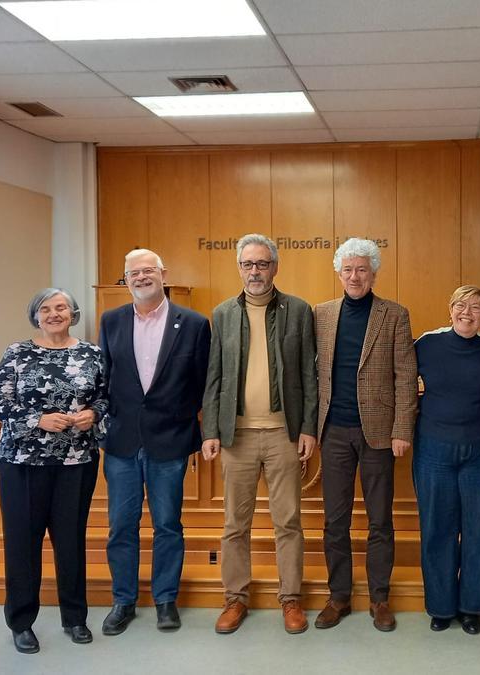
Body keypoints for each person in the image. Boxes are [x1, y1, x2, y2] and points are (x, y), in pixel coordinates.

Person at [200, 234, 319, 635]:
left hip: (284, 434)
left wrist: (308, 428)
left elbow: (309, 374)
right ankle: (235, 599)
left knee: (288, 521)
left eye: (262, 264)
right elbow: (214, 375)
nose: (255, 271)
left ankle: (291, 600)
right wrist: (210, 429)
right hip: (237, 436)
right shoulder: (222, 314)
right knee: (235, 523)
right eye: (248, 264)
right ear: (239, 268)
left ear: (275, 267)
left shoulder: (299, 311)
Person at [98, 248, 210, 636]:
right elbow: (105, 378)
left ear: (163, 274)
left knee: (167, 525)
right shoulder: (110, 321)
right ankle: (123, 601)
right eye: (134, 273)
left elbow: (203, 384)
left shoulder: (194, 323)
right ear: (125, 279)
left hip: (170, 440)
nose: (142, 277)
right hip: (123, 442)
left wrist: (189, 423)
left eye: (148, 270)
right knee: (121, 526)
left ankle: (166, 599)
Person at [0, 288, 107, 654]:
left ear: (73, 313)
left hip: (76, 462)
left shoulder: (92, 353)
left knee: (71, 541)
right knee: (23, 543)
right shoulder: (17, 353)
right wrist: (37, 419)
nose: (54, 314)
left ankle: (75, 618)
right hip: (21, 463)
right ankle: (21, 622)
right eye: (45, 309)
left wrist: (95, 413)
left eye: (61, 308)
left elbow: (106, 397)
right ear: (36, 316)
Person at [313, 237, 417, 632]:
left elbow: (406, 376)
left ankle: (379, 598)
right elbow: (312, 373)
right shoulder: (321, 314)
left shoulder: (394, 314)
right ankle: (339, 596)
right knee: (334, 521)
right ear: (339, 273)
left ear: (373, 273)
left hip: (378, 434)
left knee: (380, 521)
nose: (355, 276)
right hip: (334, 432)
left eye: (362, 269)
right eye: (348, 270)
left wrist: (401, 429)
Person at [413, 285, 480, 635]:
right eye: (460, 305)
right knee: (437, 530)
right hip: (434, 450)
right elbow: (402, 384)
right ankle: (440, 606)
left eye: (476, 307)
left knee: (479, 532)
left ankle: (473, 607)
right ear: (450, 309)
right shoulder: (426, 344)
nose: (467, 312)